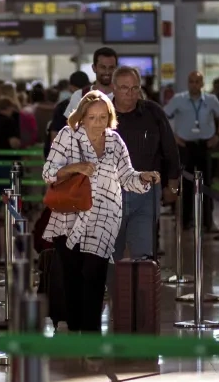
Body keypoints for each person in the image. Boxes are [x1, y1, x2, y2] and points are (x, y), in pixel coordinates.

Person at [41, 91, 160, 332]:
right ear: (82, 118)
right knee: (72, 274)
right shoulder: (67, 136)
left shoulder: (115, 141)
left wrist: (144, 177)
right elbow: (48, 172)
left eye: (103, 117)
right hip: (69, 215)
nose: (97, 123)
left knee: (95, 273)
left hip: (105, 215)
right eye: (92, 117)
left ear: (110, 118)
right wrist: (74, 167)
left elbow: (127, 176)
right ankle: (76, 328)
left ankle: (92, 330)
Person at [110, 65, 181, 260]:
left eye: (134, 88)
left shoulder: (152, 112)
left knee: (144, 251)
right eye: (124, 88)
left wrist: (173, 185)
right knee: (110, 250)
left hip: (146, 191)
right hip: (110, 192)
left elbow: (169, 148)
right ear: (114, 88)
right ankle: (108, 287)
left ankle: (141, 288)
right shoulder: (101, 114)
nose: (130, 93)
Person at [163, 70, 219, 231]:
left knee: (207, 185)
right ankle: (184, 222)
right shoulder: (179, 100)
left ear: (202, 83)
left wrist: (218, 135)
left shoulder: (211, 100)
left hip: (205, 145)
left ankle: (207, 222)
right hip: (185, 146)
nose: (194, 84)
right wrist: (174, 137)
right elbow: (163, 117)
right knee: (185, 184)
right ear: (188, 83)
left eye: (197, 81)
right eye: (191, 81)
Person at [64, 47, 117, 118]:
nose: (107, 72)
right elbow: (72, 125)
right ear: (94, 68)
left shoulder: (123, 96)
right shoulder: (79, 96)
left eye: (111, 68)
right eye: (103, 67)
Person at [45, 71, 89, 156]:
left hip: (67, 156)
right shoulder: (95, 106)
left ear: (71, 87)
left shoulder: (62, 107)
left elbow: (54, 138)